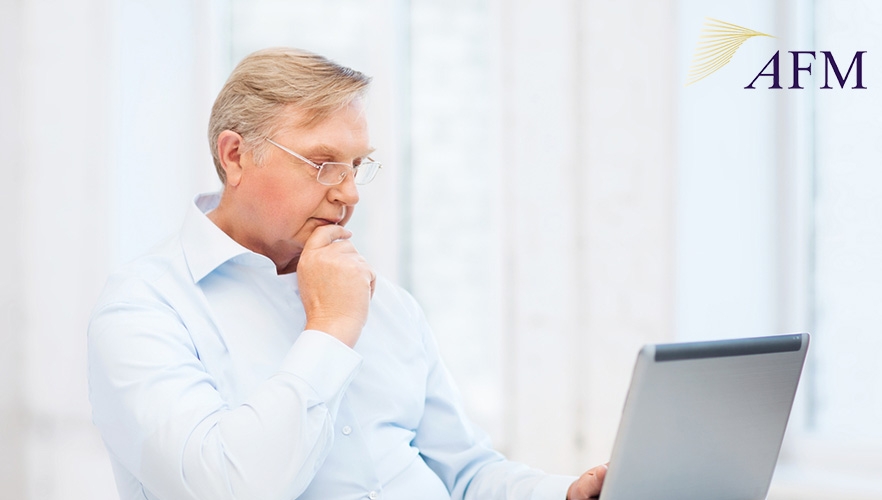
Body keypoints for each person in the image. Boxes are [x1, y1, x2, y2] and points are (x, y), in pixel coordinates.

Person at [88, 47, 607, 500]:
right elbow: (229, 487)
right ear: (236, 155)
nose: (349, 192)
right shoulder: (145, 309)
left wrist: (562, 493)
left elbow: (466, 474)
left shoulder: (386, 302)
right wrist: (331, 329)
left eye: (357, 165)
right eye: (322, 164)